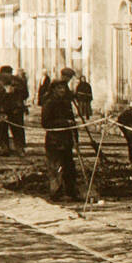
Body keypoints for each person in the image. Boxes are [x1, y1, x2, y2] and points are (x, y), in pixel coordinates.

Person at [41, 67, 81, 202]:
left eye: (64, 89)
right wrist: (64, 123)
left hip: (66, 140)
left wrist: (76, 137)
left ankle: (71, 192)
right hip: (54, 140)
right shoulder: (49, 103)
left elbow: (72, 121)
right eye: (59, 89)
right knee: (56, 167)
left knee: (69, 167)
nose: (62, 91)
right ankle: (55, 193)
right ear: (53, 90)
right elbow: (45, 123)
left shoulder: (66, 103)